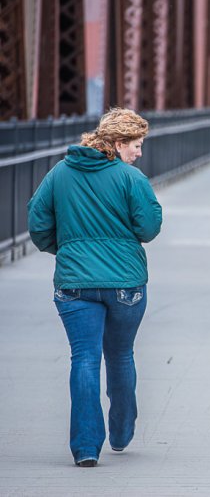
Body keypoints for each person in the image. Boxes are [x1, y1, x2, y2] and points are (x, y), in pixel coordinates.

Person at [27, 108, 162, 468]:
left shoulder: (59, 173)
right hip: (125, 285)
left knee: (84, 359)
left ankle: (86, 447)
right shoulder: (131, 179)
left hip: (74, 284)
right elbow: (148, 228)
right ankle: (120, 431)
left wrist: (69, 248)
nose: (139, 152)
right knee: (120, 355)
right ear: (118, 144)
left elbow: (37, 223)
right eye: (136, 145)